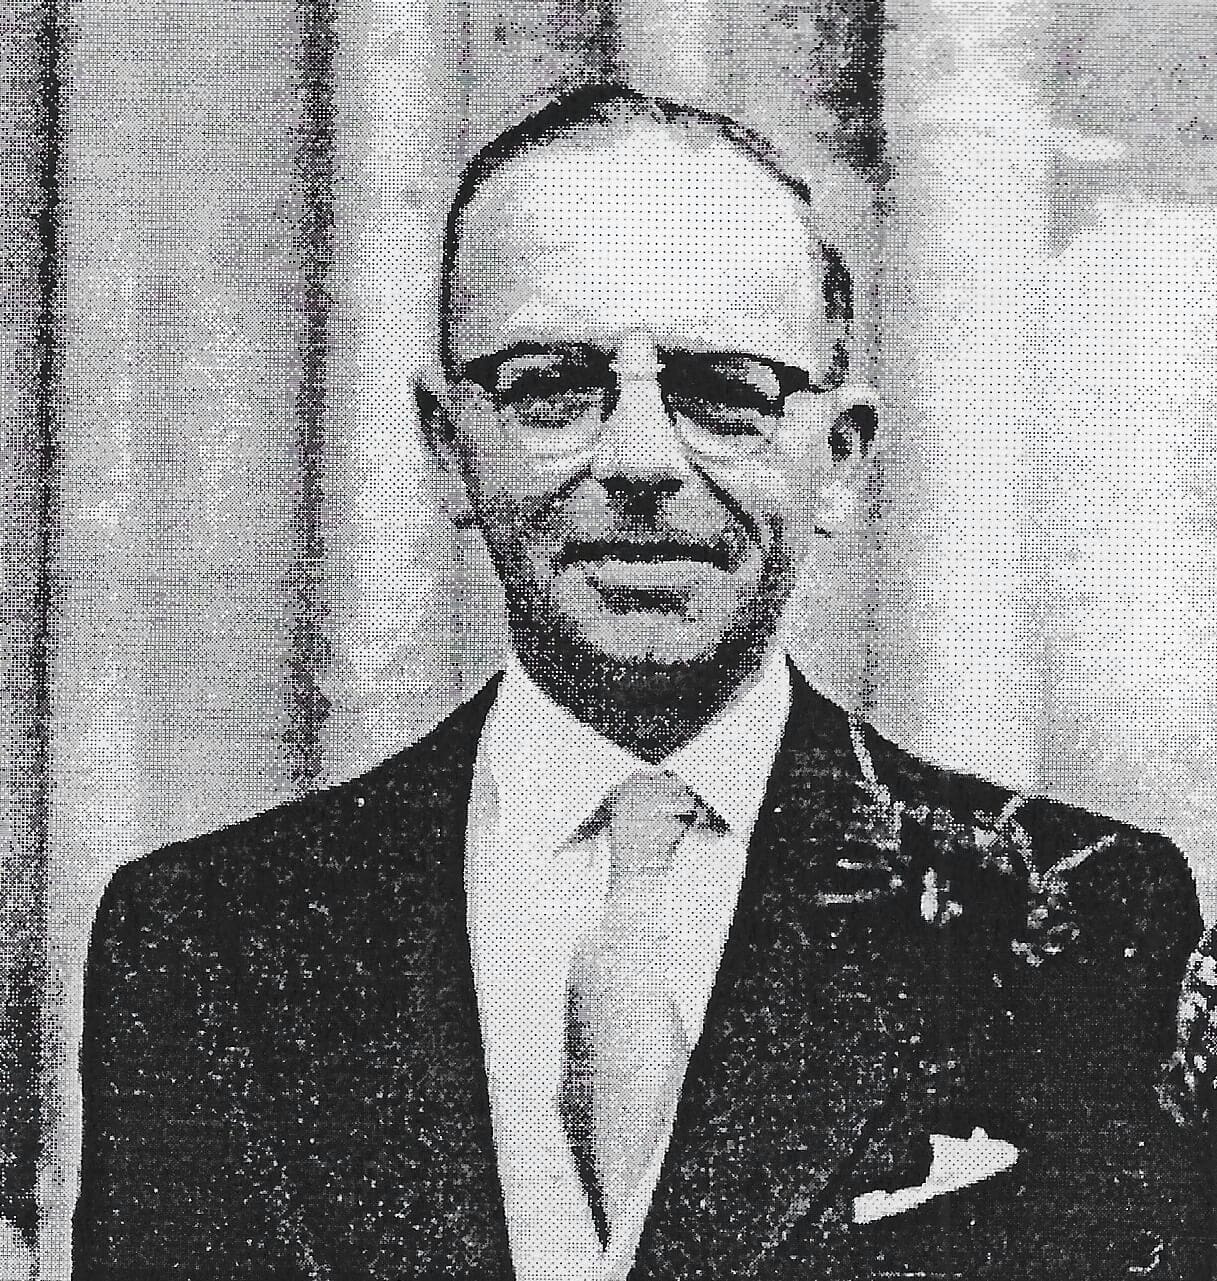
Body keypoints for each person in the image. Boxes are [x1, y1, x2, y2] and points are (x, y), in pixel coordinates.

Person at [72, 85, 1211, 1280]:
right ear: (447, 447)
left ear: (838, 458)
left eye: (722, 391)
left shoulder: (1085, 914)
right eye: (550, 387)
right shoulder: (208, 941)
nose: (637, 461)